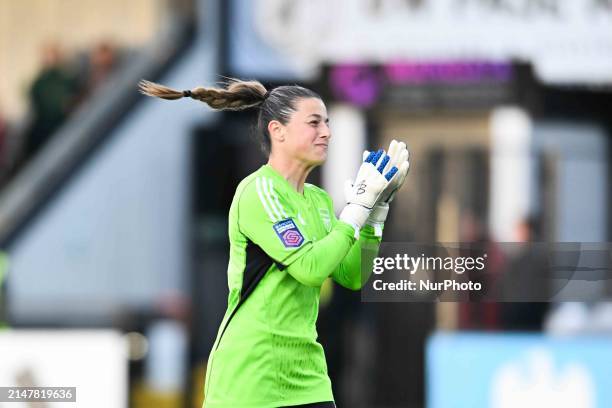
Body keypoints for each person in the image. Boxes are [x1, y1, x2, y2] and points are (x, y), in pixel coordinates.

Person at [139, 78, 410, 408]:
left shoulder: (319, 201)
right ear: (277, 131)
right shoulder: (258, 192)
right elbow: (310, 268)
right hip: (250, 378)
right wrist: (357, 207)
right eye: (314, 122)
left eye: (327, 122)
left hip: (306, 375)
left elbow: (351, 275)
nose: (326, 132)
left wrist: (376, 212)